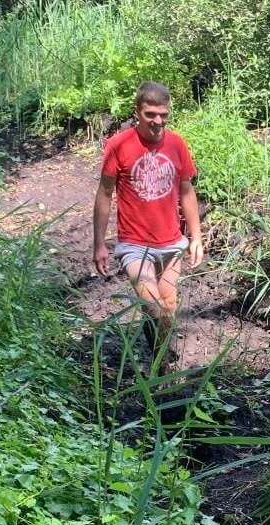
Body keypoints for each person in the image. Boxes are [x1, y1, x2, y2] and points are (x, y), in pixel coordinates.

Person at [92, 81, 203, 366]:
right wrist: (99, 244)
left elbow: (187, 191)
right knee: (155, 307)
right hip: (133, 244)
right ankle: (161, 367)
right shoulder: (119, 145)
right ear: (137, 112)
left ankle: (157, 358)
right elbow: (105, 194)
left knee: (168, 306)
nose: (158, 121)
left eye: (163, 115)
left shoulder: (177, 144)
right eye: (150, 115)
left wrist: (196, 236)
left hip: (171, 243)